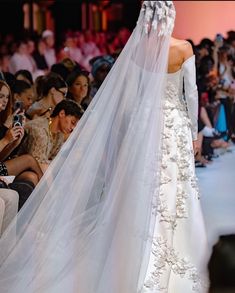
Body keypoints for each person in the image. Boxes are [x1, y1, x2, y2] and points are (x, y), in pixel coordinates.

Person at [0, 2, 209, 292]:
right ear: (170, 14)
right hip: (172, 124)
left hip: (145, 122)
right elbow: (192, 93)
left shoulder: (137, 50)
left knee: (141, 187)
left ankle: (132, 255)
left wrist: (133, 128)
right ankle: (175, 254)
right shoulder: (184, 48)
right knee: (175, 187)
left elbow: (131, 94)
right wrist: (194, 132)